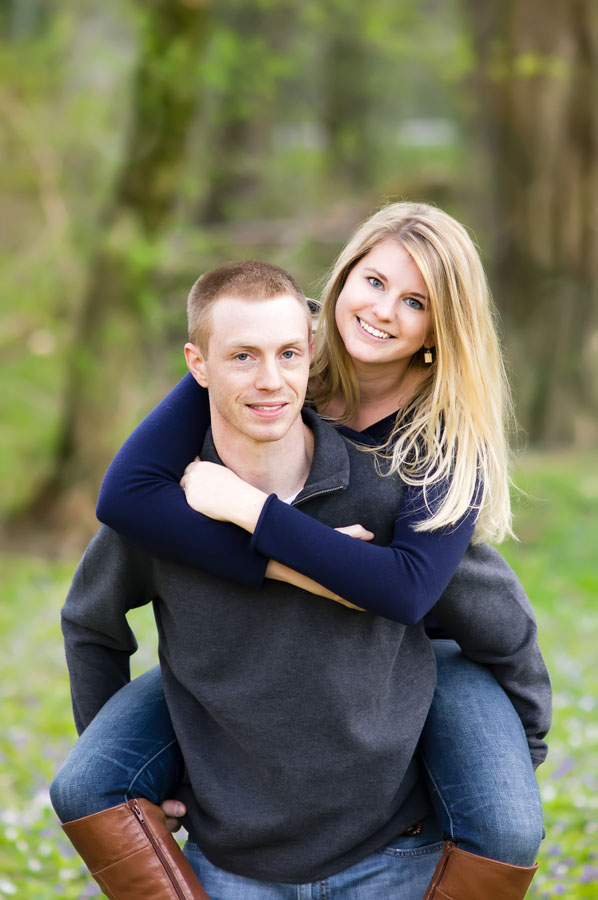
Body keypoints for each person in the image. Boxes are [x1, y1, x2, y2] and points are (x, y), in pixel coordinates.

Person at [50, 211, 550, 898]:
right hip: (256, 657)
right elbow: (128, 498)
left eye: (415, 302)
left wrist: (254, 511)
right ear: (342, 278)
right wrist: (284, 565)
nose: (381, 310)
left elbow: (418, 593)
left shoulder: (438, 438)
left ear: (441, 328)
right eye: (373, 281)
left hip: (418, 645)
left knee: (507, 820)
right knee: (84, 784)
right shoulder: (279, 351)